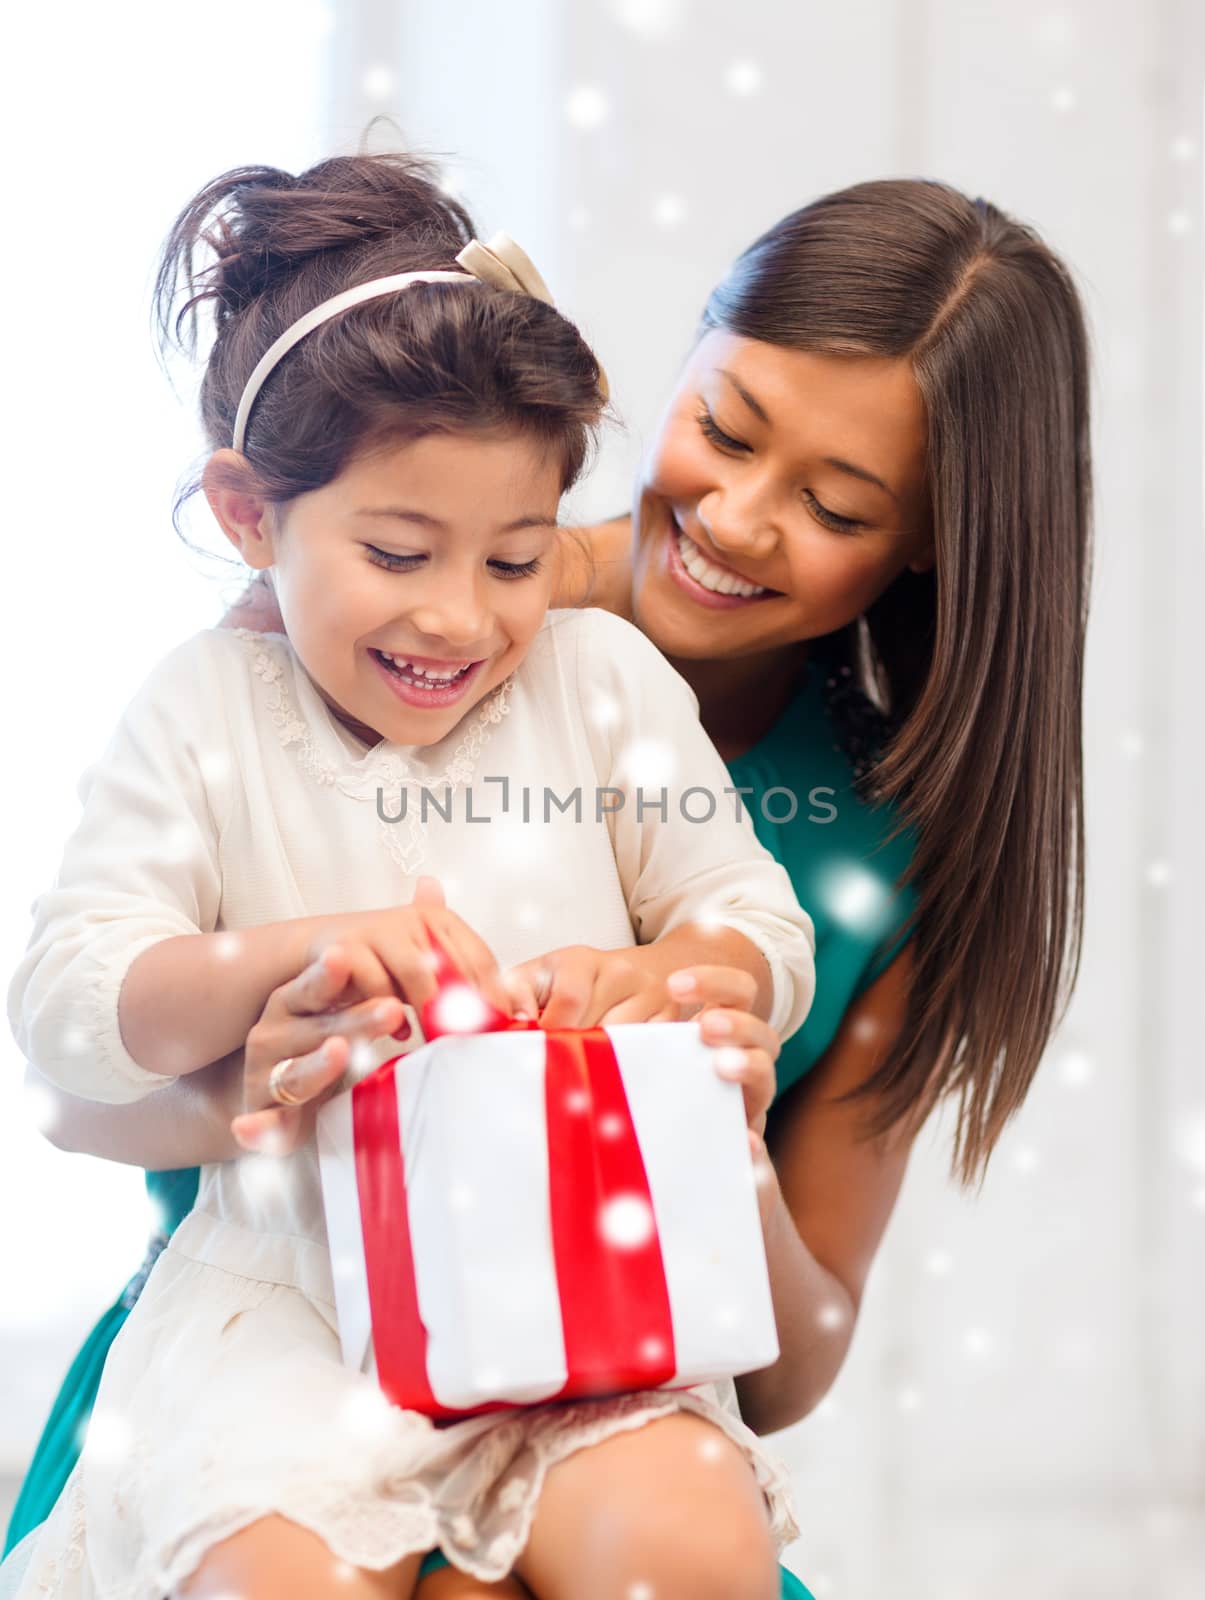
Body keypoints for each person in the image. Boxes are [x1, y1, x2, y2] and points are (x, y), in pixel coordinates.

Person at [6, 172, 1091, 1600]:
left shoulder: (805, 794)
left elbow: (791, 1354)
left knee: (672, 1543)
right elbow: (81, 1075)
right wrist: (259, 1054)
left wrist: (706, 1088)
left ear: (933, 538)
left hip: (598, 1334)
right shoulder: (318, 633)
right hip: (279, 1333)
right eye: (723, 428)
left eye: (833, 504)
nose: (741, 518)